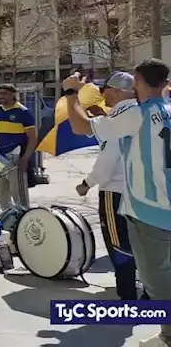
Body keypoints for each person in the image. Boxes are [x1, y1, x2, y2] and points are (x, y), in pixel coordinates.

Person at [65, 61, 171, 343]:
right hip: (162, 202)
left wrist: (71, 92)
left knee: (143, 268)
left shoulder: (134, 114)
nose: (105, 96)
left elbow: (83, 130)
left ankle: (151, 318)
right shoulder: (164, 109)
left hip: (145, 206)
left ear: (135, 81)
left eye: (108, 91)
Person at [73, 72, 140, 301]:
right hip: (140, 190)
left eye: (103, 91)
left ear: (115, 91)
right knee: (140, 242)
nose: (102, 96)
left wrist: (87, 183)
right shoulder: (144, 111)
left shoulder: (121, 117)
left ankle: (127, 293)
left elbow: (107, 158)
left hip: (116, 191)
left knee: (118, 242)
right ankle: (148, 291)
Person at [0, 84, 37, 210]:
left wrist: (25, 158)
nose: (1, 96)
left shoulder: (23, 112)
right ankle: (8, 218)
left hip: (16, 157)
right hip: (1, 157)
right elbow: (0, 133)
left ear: (13, 94)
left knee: (19, 195)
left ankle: (23, 220)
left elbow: (33, 138)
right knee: (1, 193)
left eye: (4, 93)